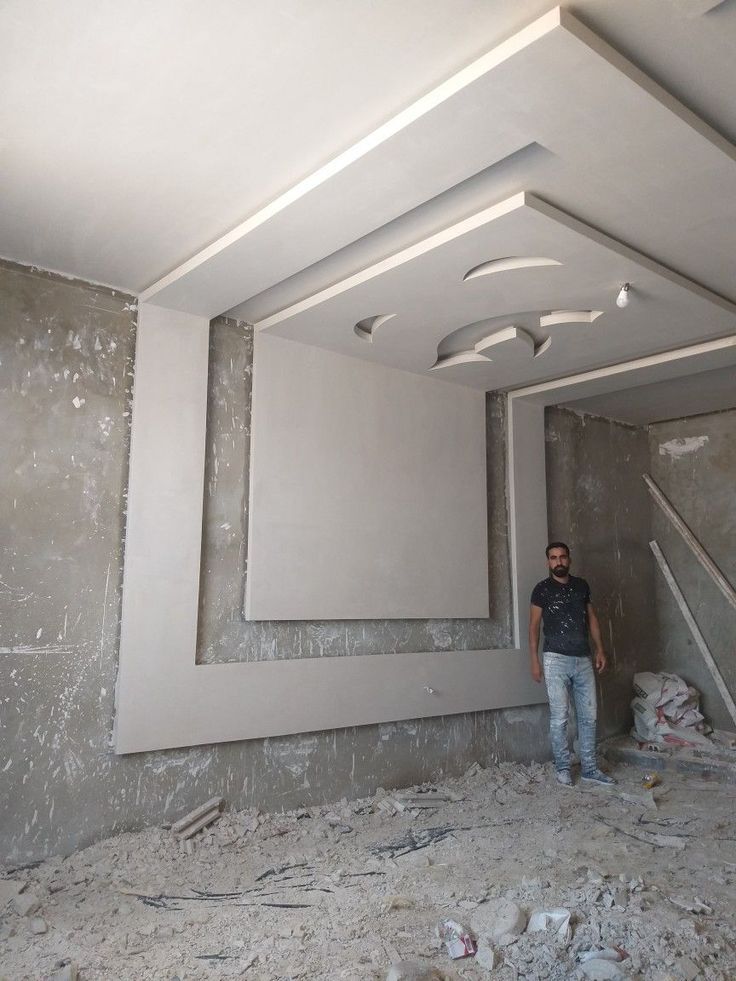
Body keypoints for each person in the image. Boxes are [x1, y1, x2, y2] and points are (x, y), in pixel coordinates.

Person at [528, 541, 616, 787]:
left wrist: (600, 649)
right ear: (548, 562)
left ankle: (590, 768)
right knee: (560, 717)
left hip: (583, 659)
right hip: (555, 659)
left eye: (562, 557)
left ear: (569, 560)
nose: (559, 562)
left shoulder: (581, 586)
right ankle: (563, 767)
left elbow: (592, 619)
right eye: (553, 558)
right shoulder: (541, 590)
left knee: (589, 716)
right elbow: (534, 627)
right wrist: (534, 660)